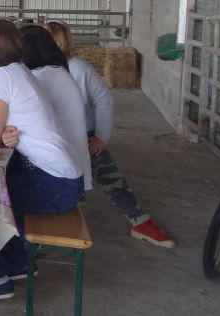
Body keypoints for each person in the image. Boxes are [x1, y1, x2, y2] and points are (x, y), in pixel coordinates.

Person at [0, 19, 84, 301]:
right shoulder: (21, 70)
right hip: (65, 178)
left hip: (55, 186)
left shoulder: (1, 76)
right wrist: (4, 134)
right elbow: (3, 131)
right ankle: (18, 263)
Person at [44, 20, 175, 248]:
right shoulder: (39, 68)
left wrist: (102, 136)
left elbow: (103, 100)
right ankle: (46, 230)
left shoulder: (78, 68)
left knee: (111, 178)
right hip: (55, 138)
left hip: (85, 135)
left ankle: (140, 221)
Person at [18, 25, 92, 193]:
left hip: (59, 173)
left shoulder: (43, 78)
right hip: (68, 165)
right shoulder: (53, 71)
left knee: (6, 187)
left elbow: (16, 119)